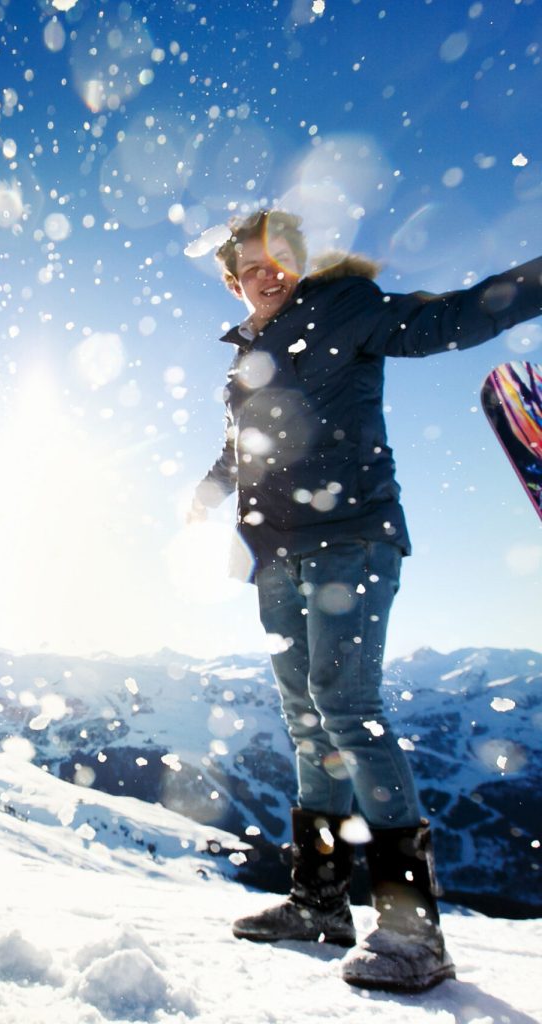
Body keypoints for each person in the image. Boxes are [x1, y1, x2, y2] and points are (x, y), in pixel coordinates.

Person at [189, 210, 542, 992]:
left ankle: (413, 932)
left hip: (352, 536)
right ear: (232, 280)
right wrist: (211, 488)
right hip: (271, 552)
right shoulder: (244, 353)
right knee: (308, 722)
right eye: (252, 264)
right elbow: (242, 442)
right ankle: (319, 902)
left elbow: (445, 320)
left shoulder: (345, 308)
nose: (269, 270)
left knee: (347, 706)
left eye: (282, 257)